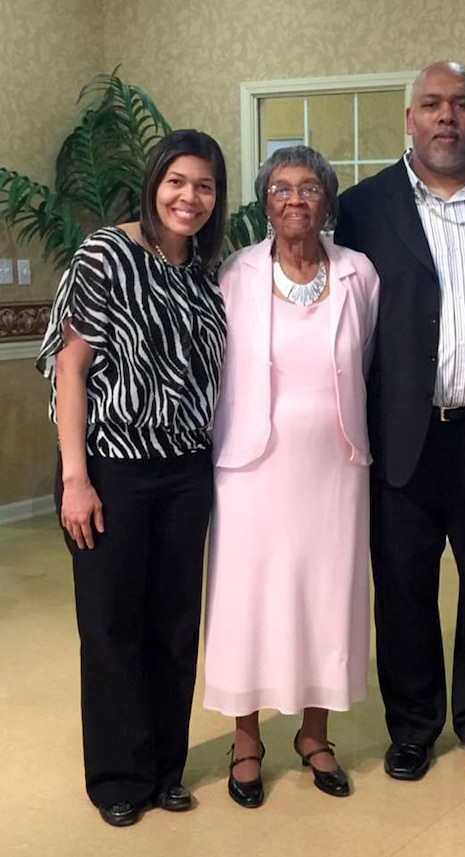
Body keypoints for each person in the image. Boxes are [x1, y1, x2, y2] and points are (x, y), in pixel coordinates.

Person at [335, 61, 465, 781]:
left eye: (460, 104)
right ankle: (414, 725)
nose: (446, 116)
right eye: (431, 104)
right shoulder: (363, 206)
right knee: (403, 587)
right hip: (402, 432)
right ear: (409, 118)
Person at [36, 129, 228, 827]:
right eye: (177, 181)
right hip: (110, 467)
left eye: (204, 185)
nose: (190, 196)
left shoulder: (205, 270)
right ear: (154, 184)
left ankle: (166, 768)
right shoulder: (108, 252)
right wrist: (75, 478)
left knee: (174, 622)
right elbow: (70, 366)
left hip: (185, 470)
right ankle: (119, 775)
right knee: (114, 625)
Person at [203, 145, 379, 806]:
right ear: (264, 201)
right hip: (251, 467)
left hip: (335, 465)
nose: (296, 199)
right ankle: (246, 738)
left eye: (310, 188)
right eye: (281, 188)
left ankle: (315, 733)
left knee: (326, 596)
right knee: (247, 597)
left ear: (328, 201)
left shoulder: (361, 273)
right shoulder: (234, 274)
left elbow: (367, 359)